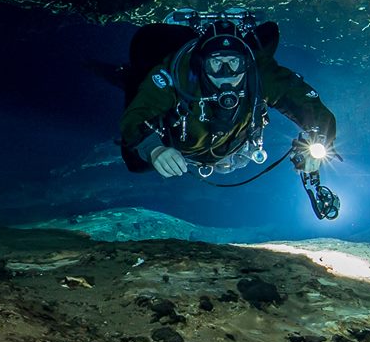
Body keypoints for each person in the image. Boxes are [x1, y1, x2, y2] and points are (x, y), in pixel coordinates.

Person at [117, 12, 341, 215]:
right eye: (216, 63)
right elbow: (136, 115)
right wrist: (154, 148)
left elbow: (312, 107)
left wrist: (319, 141)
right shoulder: (179, 73)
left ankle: (251, 38)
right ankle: (134, 73)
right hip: (180, 146)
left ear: (246, 62)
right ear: (202, 64)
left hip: (236, 144)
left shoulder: (260, 72)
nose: (226, 74)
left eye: (234, 63)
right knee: (136, 163)